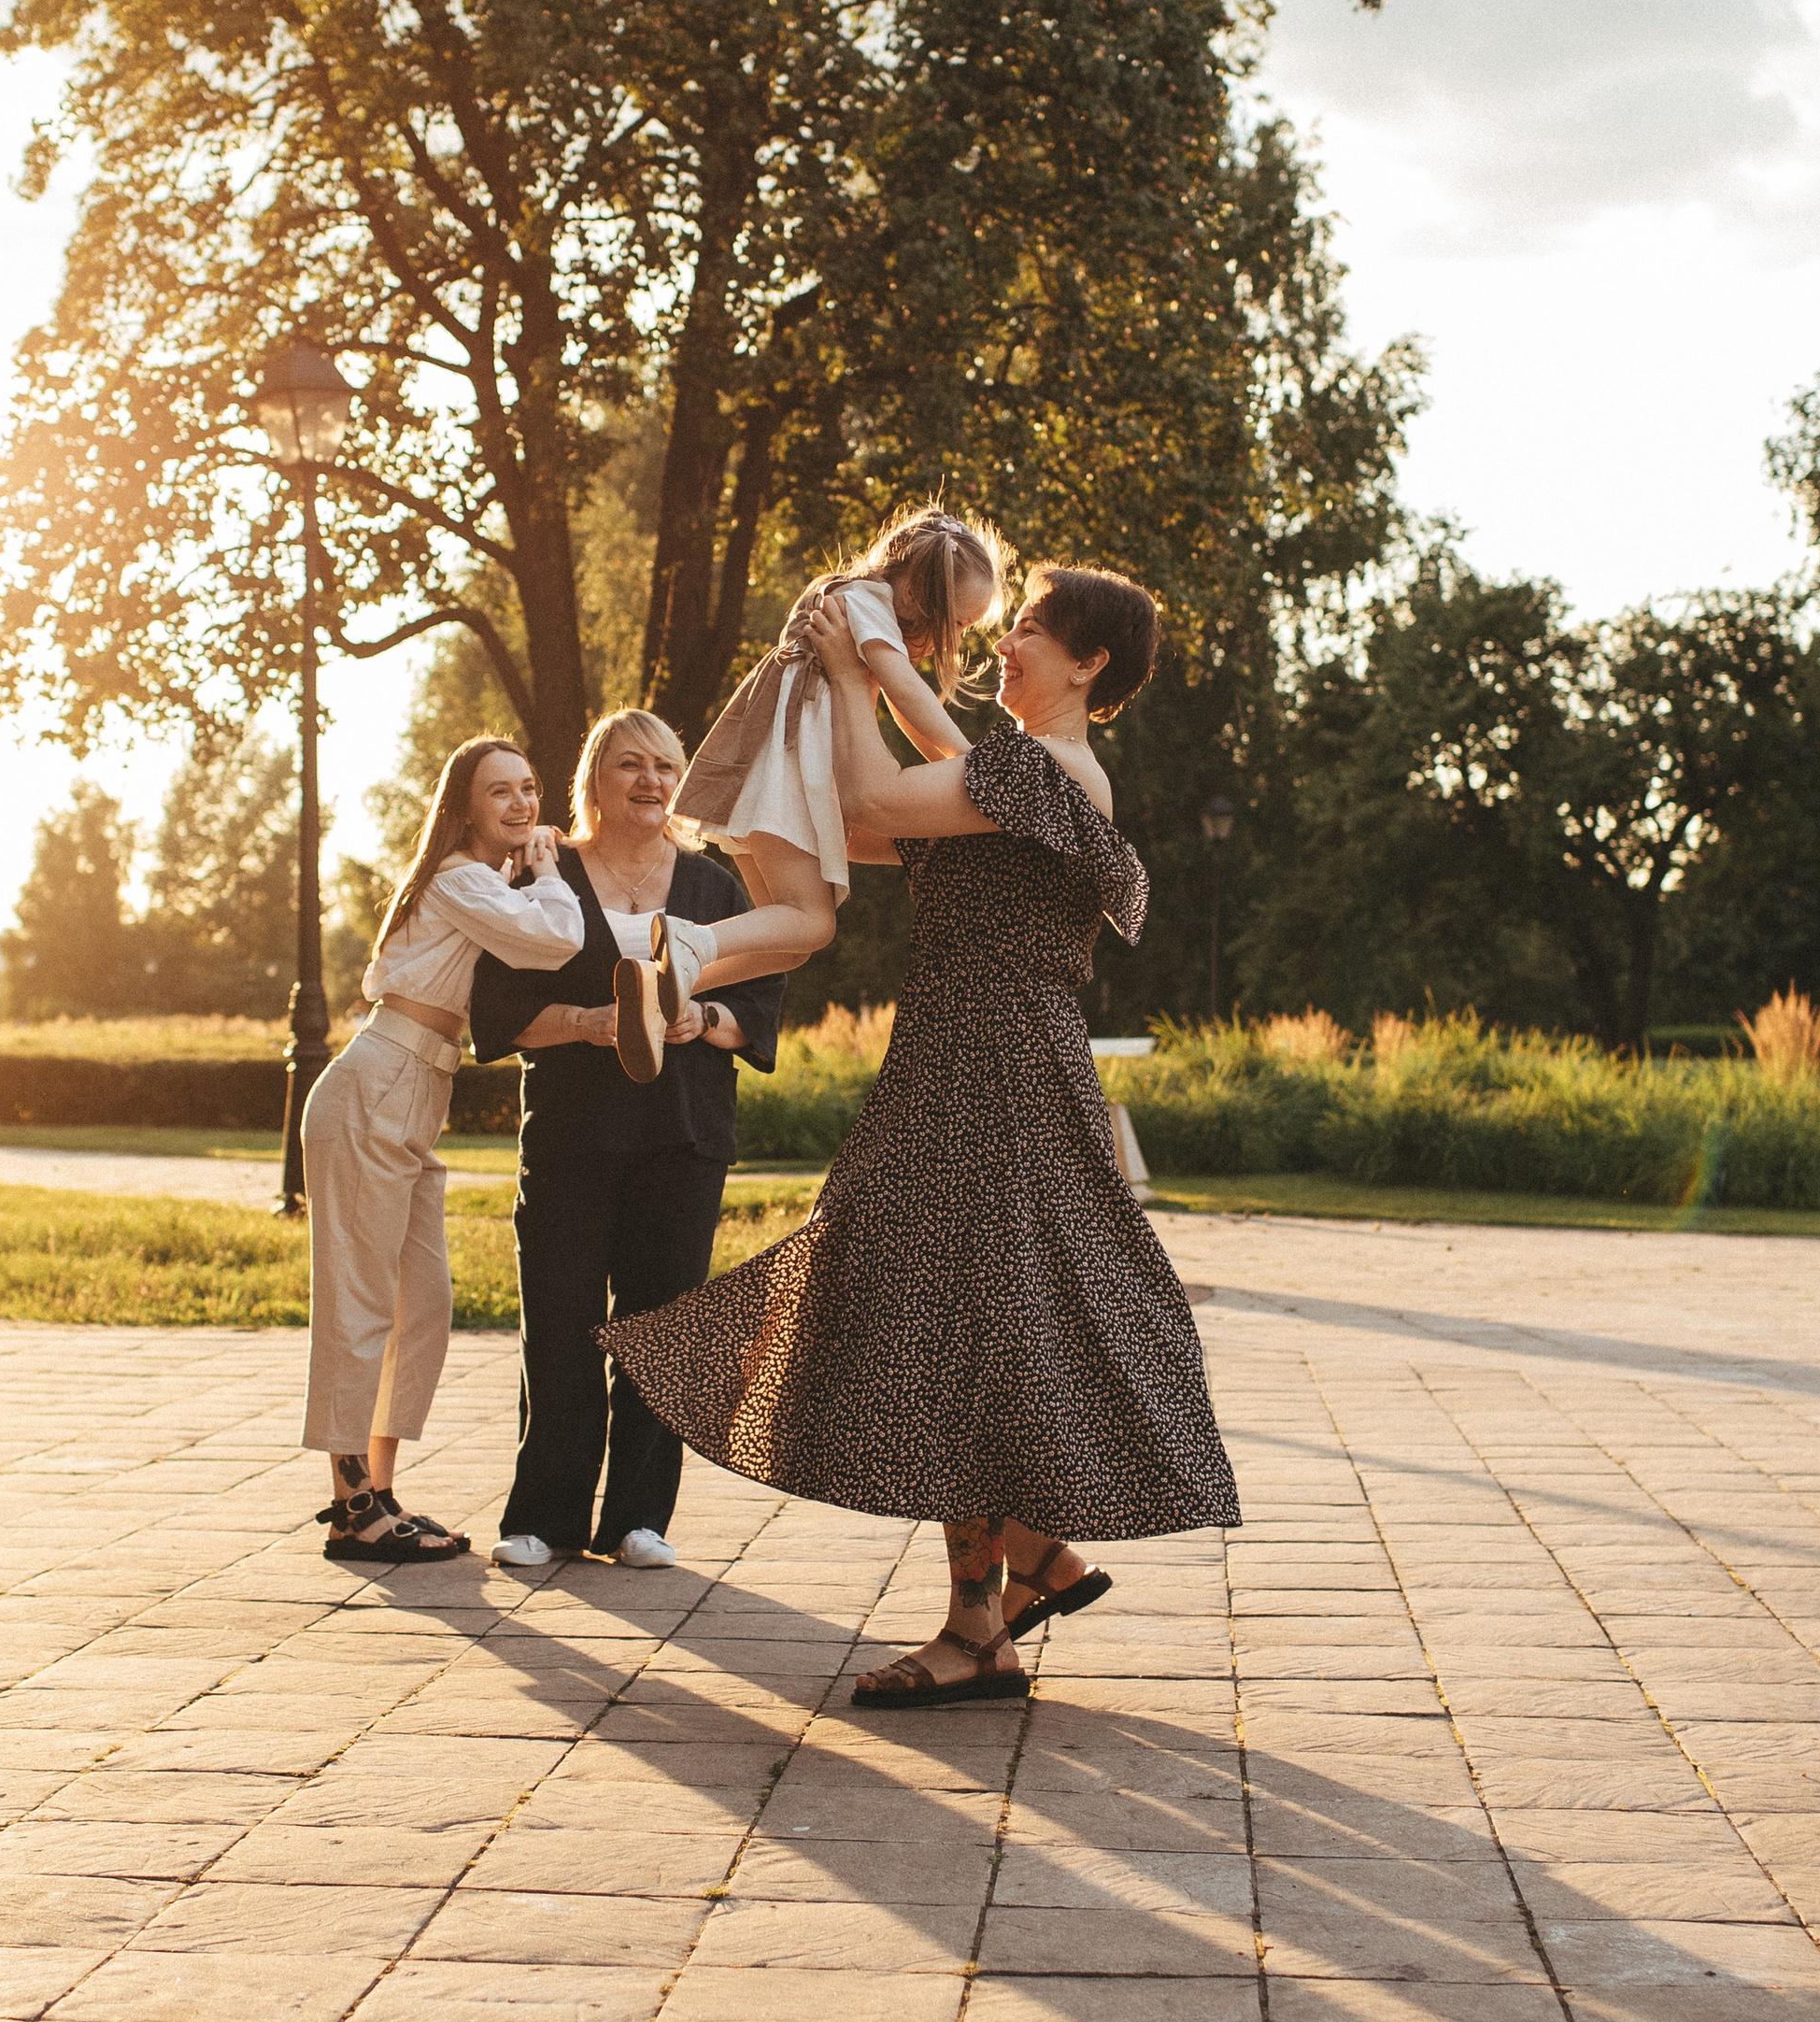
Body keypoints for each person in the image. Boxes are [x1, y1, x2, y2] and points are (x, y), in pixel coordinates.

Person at [605, 565, 1239, 1708]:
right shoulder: (1005, 779)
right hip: (956, 1062)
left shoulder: (1056, 771)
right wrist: (852, 672)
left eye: (1033, 633)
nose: (1009, 644)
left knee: (965, 1320)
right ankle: (1022, 1571)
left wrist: (861, 653)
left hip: (997, 1072)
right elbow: (865, 813)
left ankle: (982, 1617)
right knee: (956, 1317)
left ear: (1088, 666)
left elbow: (879, 792)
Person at [468, 708, 787, 1573]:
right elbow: (497, 1015)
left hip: (683, 1139)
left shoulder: (715, 887)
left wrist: (708, 1017)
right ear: (595, 780)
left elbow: (761, 1002)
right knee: (561, 1327)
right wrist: (586, 1022)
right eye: (630, 765)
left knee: (662, 1328)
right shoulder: (543, 873)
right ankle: (545, 1516)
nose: (650, 781)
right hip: (570, 1137)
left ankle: (640, 1518)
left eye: (665, 766)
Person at [300, 735, 583, 1563]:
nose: (523, 805)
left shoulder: (481, 881)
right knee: (361, 1306)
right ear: (465, 806)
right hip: (377, 1086)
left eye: (530, 789)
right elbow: (555, 941)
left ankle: (378, 1495)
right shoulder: (462, 877)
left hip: (416, 1092)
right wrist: (553, 872)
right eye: (501, 792)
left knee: (422, 1305)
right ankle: (351, 1508)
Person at [630, 507, 1004, 1073]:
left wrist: (954, 774)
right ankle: (688, 942)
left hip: (767, 773)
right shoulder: (865, 605)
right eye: (958, 622)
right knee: (815, 920)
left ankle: (660, 986)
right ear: (919, 591)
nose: (957, 635)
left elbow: (903, 712)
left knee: (791, 941)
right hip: (786, 776)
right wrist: (979, 771)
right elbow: (910, 698)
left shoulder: (848, 598)